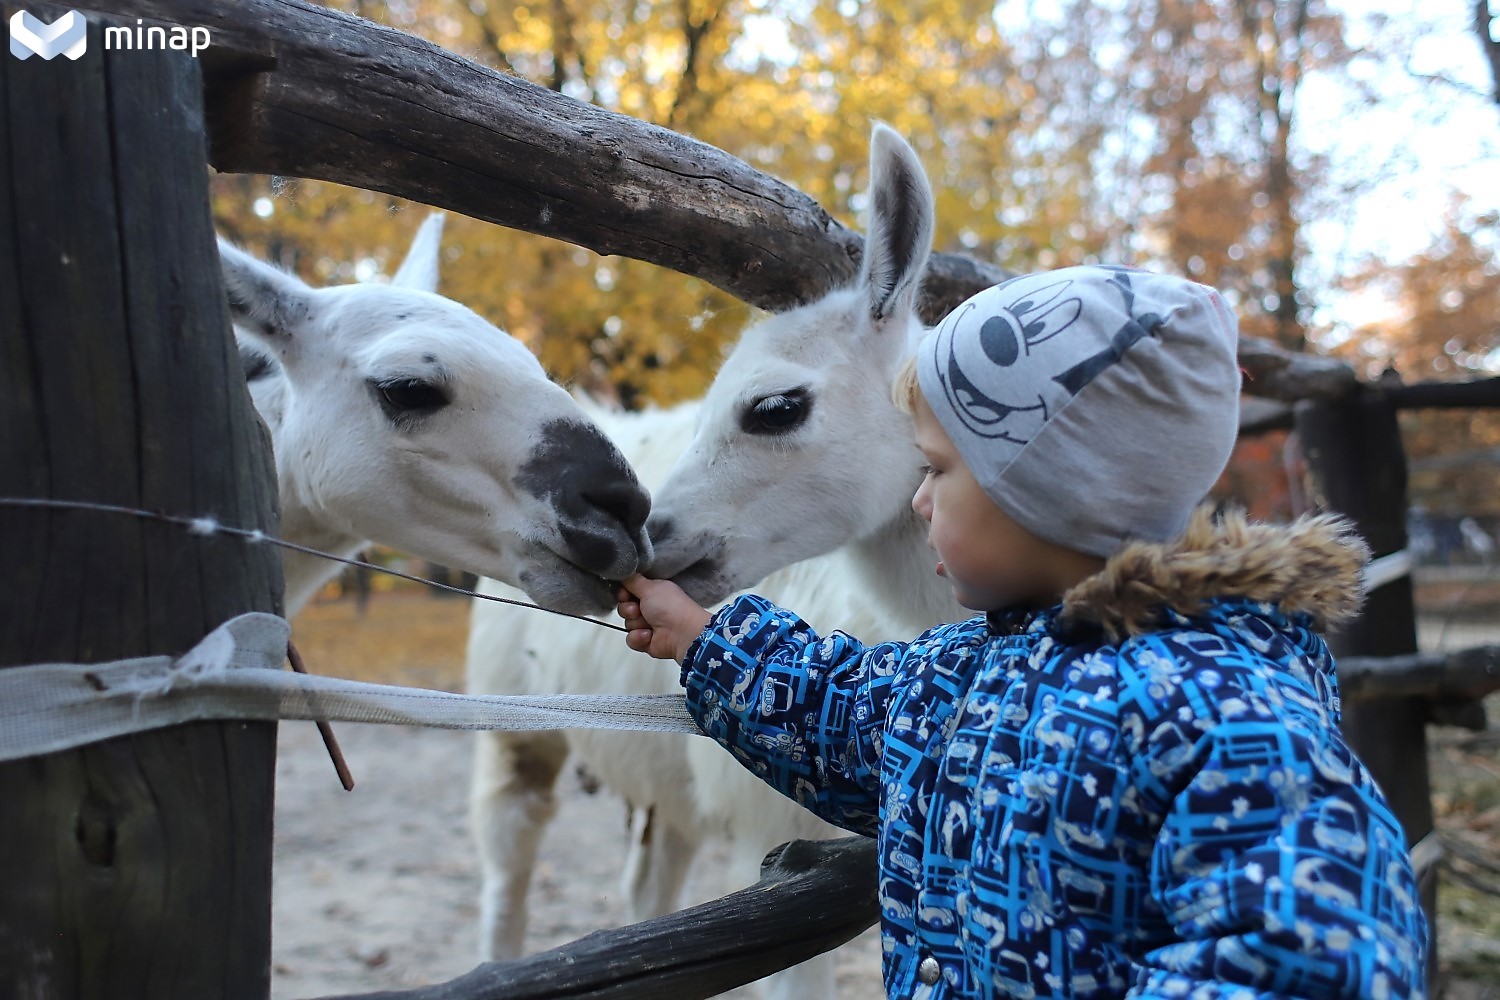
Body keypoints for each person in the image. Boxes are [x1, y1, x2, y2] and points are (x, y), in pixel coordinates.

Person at [616, 265, 1428, 999]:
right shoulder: (970, 669)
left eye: (938, 470)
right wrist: (704, 640)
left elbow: (1318, 960)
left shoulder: (1230, 718)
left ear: (1054, 489)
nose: (919, 501)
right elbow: (840, 717)